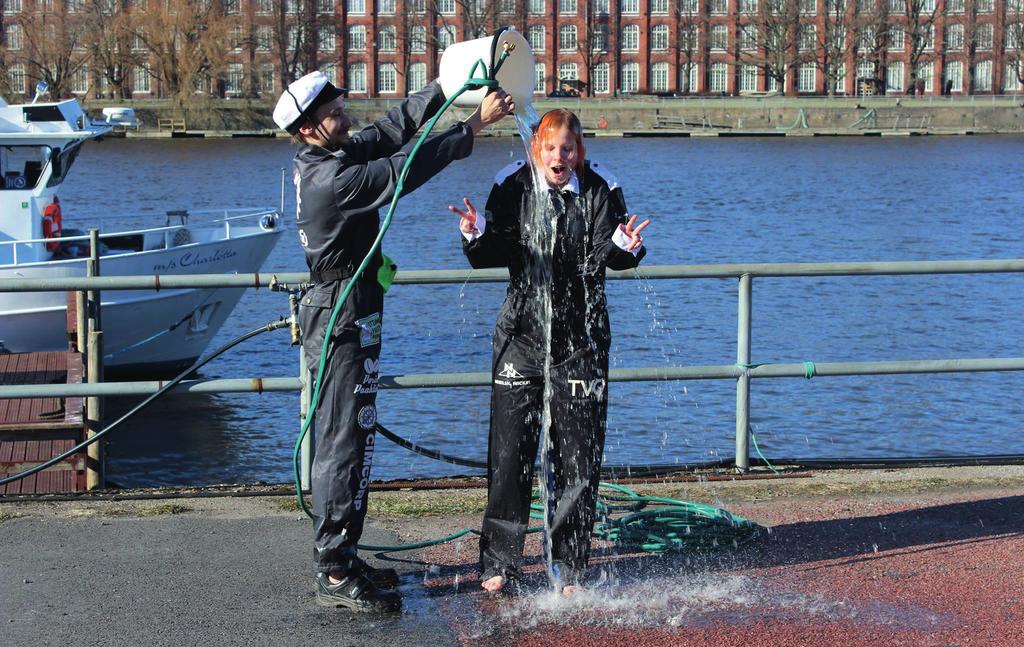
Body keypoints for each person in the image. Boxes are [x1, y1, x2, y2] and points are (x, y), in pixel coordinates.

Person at [273, 70, 514, 612]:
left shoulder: (330, 158)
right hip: (340, 315)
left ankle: (345, 550)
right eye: (335, 111)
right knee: (341, 440)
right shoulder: (333, 181)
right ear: (311, 128)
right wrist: (472, 125)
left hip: (353, 305)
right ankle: (333, 568)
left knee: (356, 434)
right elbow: (404, 169)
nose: (347, 115)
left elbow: (390, 131)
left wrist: (444, 85)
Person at [448, 108, 649, 595]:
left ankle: (571, 570)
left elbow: (611, 256)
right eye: (551, 147)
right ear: (535, 147)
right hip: (522, 335)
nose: (559, 156)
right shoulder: (511, 183)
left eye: (568, 148)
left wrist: (626, 247)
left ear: (580, 153)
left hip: (581, 340)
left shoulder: (601, 187)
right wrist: (474, 234)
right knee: (510, 452)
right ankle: (500, 563)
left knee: (578, 459)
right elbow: (495, 252)